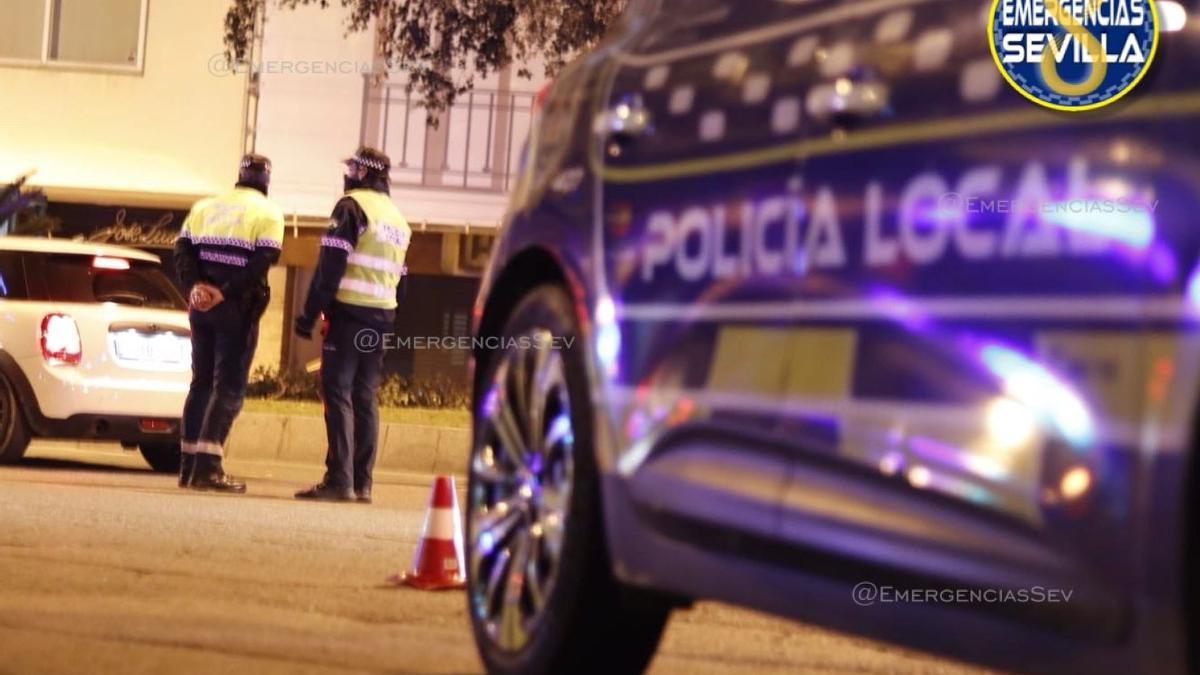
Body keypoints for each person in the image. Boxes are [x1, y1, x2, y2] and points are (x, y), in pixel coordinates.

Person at [293, 147, 410, 504]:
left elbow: (330, 266)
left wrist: (309, 314)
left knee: (338, 393)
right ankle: (362, 483)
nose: (348, 173)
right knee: (365, 396)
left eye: (353, 167)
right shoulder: (397, 220)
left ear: (364, 172)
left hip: (348, 314)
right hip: (382, 316)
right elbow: (400, 279)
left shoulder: (350, 207)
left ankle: (338, 480)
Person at [175, 154, 284, 493]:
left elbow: (181, 251)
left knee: (201, 383)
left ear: (238, 176)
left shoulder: (204, 207)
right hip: (235, 308)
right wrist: (223, 292)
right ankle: (208, 469)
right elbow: (261, 264)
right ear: (266, 180)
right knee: (230, 387)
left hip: (201, 308)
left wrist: (196, 288)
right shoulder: (268, 213)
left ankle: (188, 468)